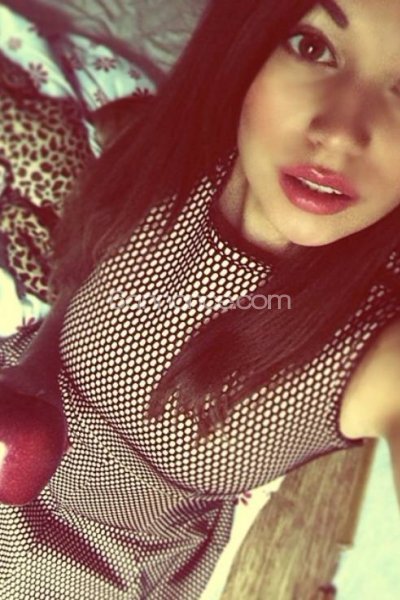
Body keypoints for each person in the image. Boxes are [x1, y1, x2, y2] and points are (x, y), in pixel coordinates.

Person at [0, 0, 400, 598]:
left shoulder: (376, 353)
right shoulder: (173, 154)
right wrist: (32, 374)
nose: (339, 132)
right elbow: (84, 277)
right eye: (312, 47)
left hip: (80, 573)